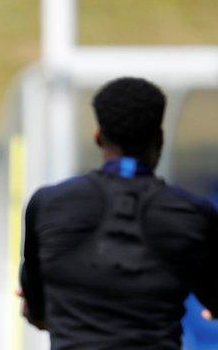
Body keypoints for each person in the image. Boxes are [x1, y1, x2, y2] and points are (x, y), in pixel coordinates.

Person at [20, 77, 218, 349]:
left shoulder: (48, 205)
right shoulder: (192, 214)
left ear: (99, 137)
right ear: (159, 138)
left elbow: (36, 310)